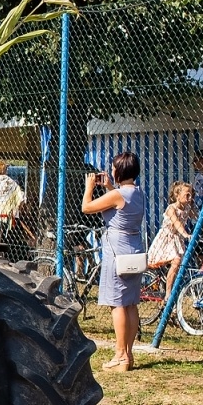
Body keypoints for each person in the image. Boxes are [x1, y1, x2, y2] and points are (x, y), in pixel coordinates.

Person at [81, 151, 145, 371]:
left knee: (117, 304)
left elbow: (87, 207)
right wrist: (109, 187)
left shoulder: (118, 195)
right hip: (133, 251)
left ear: (120, 170)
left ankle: (120, 356)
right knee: (130, 303)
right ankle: (129, 353)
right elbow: (121, 204)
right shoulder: (137, 193)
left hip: (116, 253)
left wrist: (90, 187)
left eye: (113, 167)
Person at [147, 180, 194, 276]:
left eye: (191, 195)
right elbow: (177, 223)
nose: (190, 198)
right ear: (177, 195)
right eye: (187, 195)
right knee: (176, 261)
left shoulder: (188, 209)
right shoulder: (171, 208)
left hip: (177, 239)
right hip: (166, 239)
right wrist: (185, 234)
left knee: (179, 265)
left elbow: (199, 221)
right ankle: (169, 291)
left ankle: (170, 285)